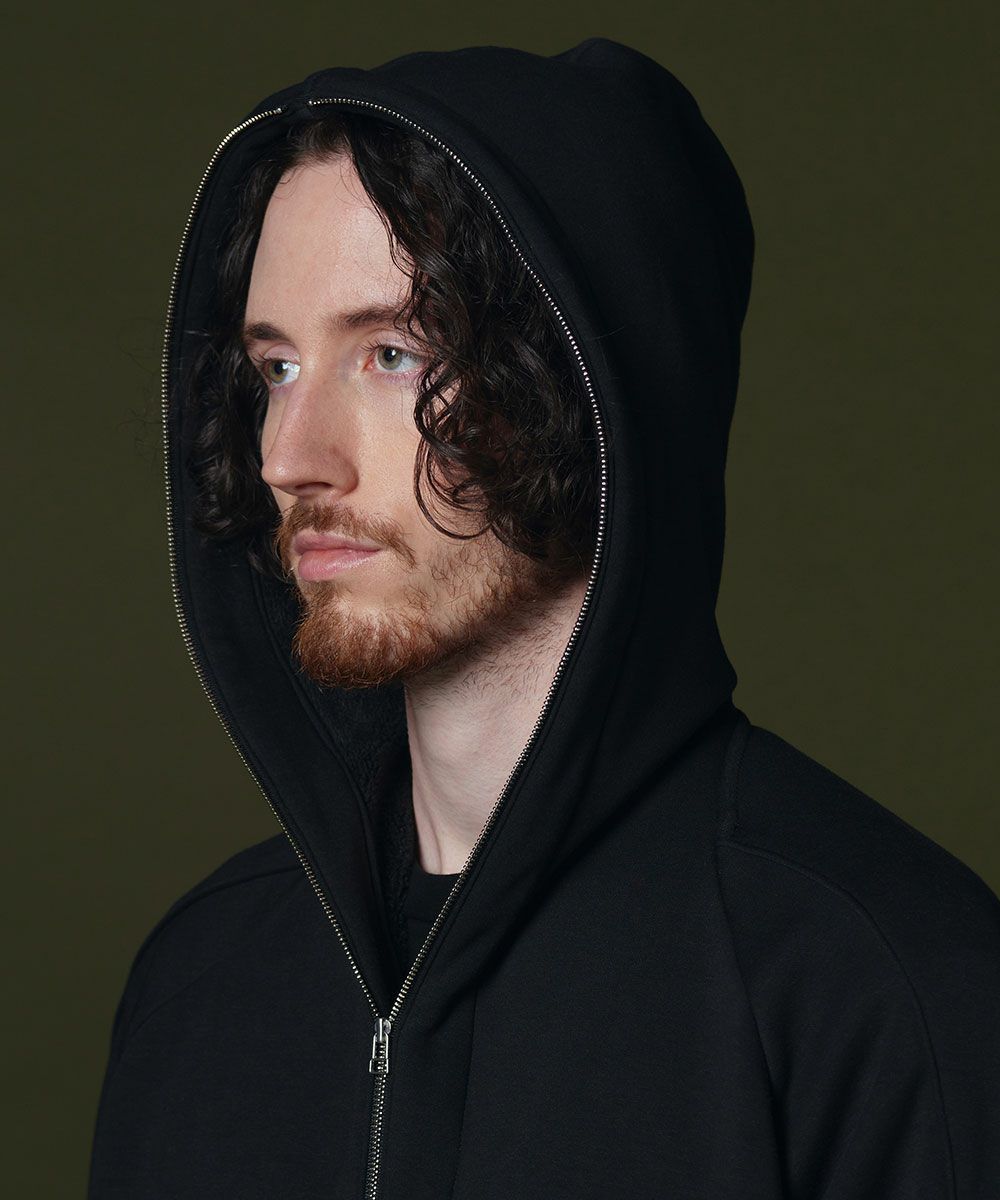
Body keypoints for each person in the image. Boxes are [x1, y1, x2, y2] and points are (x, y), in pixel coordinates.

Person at [88, 37, 1000, 1199]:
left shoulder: (883, 975)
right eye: (274, 368)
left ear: (585, 388)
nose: (288, 457)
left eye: (390, 353)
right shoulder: (201, 977)